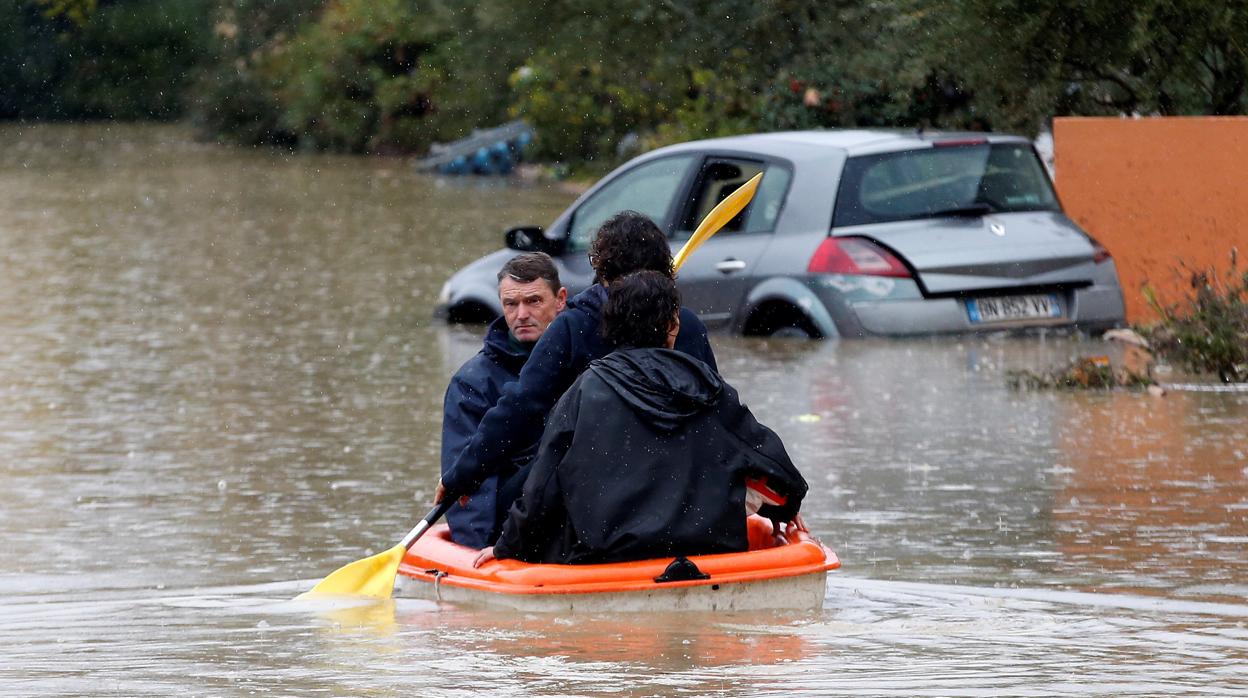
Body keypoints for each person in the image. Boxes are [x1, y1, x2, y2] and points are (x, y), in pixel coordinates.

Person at [473, 270, 807, 566]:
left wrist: (508, 547)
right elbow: (780, 473)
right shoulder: (711, 387)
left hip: (605, 556)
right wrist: (784, 510)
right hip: (707, 550)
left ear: (610, 327)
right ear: (673, 325)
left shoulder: (583, 391)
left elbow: (540, 489)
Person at [436, 211, 718, 522]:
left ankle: (506, 544)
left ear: (602, 270)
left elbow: (521, 408)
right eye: (511, 305)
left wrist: (462, 475)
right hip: (676, 484)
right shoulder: (687, 325)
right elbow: (717, 411)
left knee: (512, 496)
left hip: (591, 487)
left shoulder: (574, 326)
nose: (521, 314)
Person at [440, 252, 567, 548]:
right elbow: (469, 489)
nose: (521, 314)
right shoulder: (472, 383)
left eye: (533, 301)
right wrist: (481, 548)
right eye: (511, 304)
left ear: (560, 300)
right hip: (516, 524)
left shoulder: (584, 359)